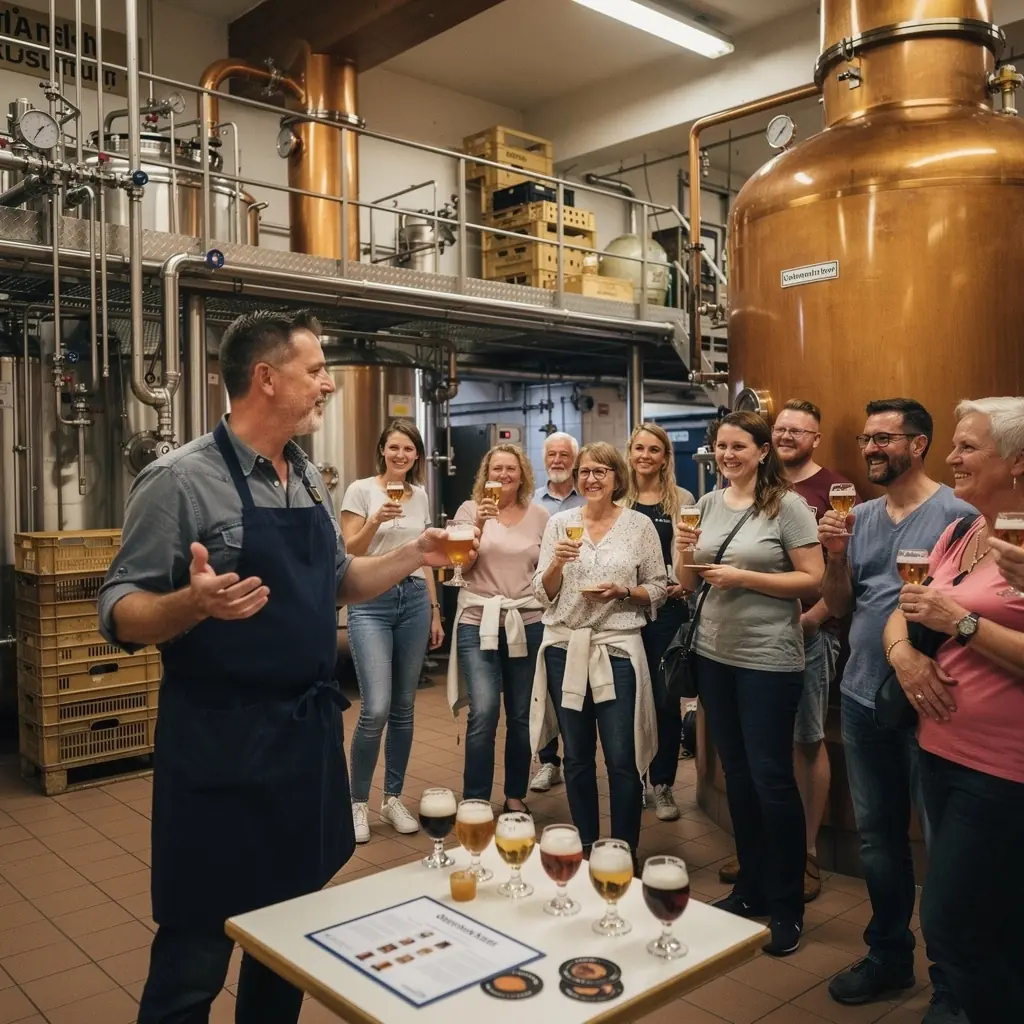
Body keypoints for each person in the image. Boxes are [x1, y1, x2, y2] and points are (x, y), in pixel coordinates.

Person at [97, 310, 476, 1024]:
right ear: (266, 379)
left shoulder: (304, 475)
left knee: (290, 944)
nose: (329, 384)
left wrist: (414, 556)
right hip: (219, 745)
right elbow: (118, 610)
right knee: (196, 952)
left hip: (303, 741)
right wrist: (193, 603)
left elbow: (336, 579)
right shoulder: (179, 481)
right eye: (316, 371)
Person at [819, 398, 975, 1020]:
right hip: (861, 693)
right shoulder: (854, 515)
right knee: (879, 840)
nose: (871, 448)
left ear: (919, 444)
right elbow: (837, 605)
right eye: (865, 439)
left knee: (940, 843)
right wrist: (834, 557)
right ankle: (887, 954)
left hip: (932, 702)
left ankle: (951, 979)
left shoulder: (959, 516)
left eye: (885, 438)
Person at [883, 397, 1024, 1023]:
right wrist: (903, 658)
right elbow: (905, 604)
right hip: (937, 749)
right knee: (986, 917)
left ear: (1017, 463)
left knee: (953, 921)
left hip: (1001, 770)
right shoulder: (963, 531)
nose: (952, 457)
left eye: (969, 447)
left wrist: (962, 622)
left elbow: (948, 615)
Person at [674, 411, 823, 958]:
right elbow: (687, 584)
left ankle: (788, 906)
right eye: (721, 446)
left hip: (768, 660)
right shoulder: (708, 504)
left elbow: (812, 581)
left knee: (771, 779)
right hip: (714, 655)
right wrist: (681, 546)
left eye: (739, 446)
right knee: (736, 775)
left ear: (763, 451)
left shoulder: (789, 507)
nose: (728, 454)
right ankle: (750, 888)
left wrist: (745, 578)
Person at [720, 399, 852, 901]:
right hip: (749, 642)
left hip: (810, 635)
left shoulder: (833, 490)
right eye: (781, 429)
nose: (789, 436)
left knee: (805, 740)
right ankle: (763, 847)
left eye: (800, 430)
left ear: (816, 438)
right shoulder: (742, 490)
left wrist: (810, 623)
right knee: (757, 752)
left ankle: (806, 855)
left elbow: (840, 572)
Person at [530, 442, 667, 864]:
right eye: (586, 471)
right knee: (576, 755)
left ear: (616, 478)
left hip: (618, 649)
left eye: (601, 472)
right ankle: (587, 846)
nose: (592, 479)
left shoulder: (639, 526)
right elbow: (542, 592)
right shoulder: (559, 524)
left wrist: (624, 591)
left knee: (622, 755)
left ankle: (623, 850)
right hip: (565, 649)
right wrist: (556, 564)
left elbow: (659, 586)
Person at [341, 420, 444, 844]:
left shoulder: (420, 495)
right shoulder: (360, 490)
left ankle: (393, 797)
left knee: (404, 706)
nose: (401, 455)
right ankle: (357, 803)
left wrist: (435, 610)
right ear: (382, 450)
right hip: (371, 602)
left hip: (415, 599)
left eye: (409, 449)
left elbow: (425, 554)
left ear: (417, 456)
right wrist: (375, 520)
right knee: (376, 707)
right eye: (394, 448)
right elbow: (348, 552)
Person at [446, 444, 549, 812]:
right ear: (485, 476)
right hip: (478, 620)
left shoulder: (540, 515)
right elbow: (458, 565)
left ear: (522, 475)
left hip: (526, 620)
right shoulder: (468, 511)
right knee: (485, 710)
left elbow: (546, 572)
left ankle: (514, 794)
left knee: (521, 713)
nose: (503, 475)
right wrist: (478, 525)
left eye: (511, 469)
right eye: (497, 469)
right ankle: (475, 797)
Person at [623, 422, 695, 822]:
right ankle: (632, 780)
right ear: (629, 453)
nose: (646, 456)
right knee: (630, 699)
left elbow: (689, 550)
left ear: (665, 457)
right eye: (639, 448)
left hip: (669, 610)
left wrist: (682, 582)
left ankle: (662, 783)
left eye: (654, 449)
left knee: (667, 700)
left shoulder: (681, 498)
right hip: (625, 609)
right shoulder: (619, 497)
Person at [530, 430, 585, 792]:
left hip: (582, 609)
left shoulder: (592, 496)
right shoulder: (533, 504)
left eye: (565, 455)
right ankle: (549, 762)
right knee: (546, 690)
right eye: (552, 454)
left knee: (576, 695)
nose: (558, 461)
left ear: (575, 460)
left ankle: (577, 758)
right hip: (542, 605)